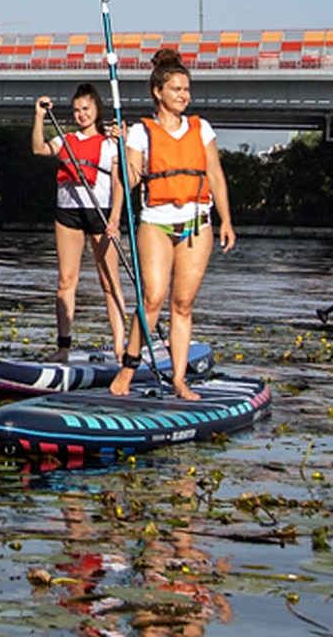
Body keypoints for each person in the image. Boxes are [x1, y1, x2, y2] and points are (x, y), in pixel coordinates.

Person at [110, 47, 236, 400]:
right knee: (152, 297)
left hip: (197, 221)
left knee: (183, 305)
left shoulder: (201, 128)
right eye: (177, 89)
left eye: (186, 90)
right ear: (158, 92)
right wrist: (121, 153)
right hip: (156, 222)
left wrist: (226, 219)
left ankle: (179, 379)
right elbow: (131, 179)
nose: (184, 95)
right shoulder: (140, 132)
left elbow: (215, 174)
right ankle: (128, 367)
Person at [31, 85, 127, 362]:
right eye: (76, 110)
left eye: (86, 109)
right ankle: (63, 347)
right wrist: (39, 117)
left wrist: (115, 218)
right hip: (68, 213)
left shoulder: (111, 142)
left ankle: (120, 348)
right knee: (65, 281)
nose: (81, 114)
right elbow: (38, 148)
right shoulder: (66, 139)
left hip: (101, 213)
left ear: (96, 109)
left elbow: (119, 182)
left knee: (109, 283)